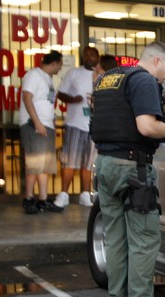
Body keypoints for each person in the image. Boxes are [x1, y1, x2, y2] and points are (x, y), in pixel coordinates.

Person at [91, 42, 165, 297]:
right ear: (156, 60)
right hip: (133, 169)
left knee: (117, 240)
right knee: (143, 241)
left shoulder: (108, 79)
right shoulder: (144, 80)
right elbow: (147, 127)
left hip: (106, 165)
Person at [54, 46, 101, 208]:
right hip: (75, 124)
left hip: (94, 126)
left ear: (97, 57)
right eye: (86, 55)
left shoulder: (102, 75)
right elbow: (60, 93)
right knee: (70, 161)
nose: (89, 57)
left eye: (92, 55)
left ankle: (85, 194)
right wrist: (72, 99)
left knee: (89, 162)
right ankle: (63, 194)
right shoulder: (73, 73)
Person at [19, 50, 64, 214]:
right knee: (34, 162)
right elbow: (26, 97)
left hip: (46, 125)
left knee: (45, 164)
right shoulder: (34, 75)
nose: (60, 68)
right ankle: (29, 198)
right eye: (60, 64)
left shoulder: (48, 79)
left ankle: (43, 199)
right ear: (54, 63)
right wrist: (37, 122)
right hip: (34, 124)